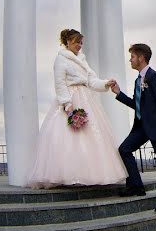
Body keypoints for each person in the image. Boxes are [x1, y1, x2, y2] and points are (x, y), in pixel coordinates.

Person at [24, 29, 127, 188]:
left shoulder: (82, 60)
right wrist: (67, 103)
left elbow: (91, 80)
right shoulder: (61, 59)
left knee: (92, 135)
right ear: (67, 42)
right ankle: (69, 175)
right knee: (68, 137)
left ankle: (90, 174)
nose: (79, 45)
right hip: (71, 99)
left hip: (86, 98)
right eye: (76, 42)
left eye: (81, 43)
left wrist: (105, 83)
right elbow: (59, 83)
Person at [110, 43, 156, 213]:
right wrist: (119, 94)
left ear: (141, 58)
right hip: (140, 127)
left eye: (132, 56)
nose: (130, 60)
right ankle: (136, 187)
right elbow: (137, 104)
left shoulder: (155, 77)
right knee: (124, 149)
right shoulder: (137, 81)